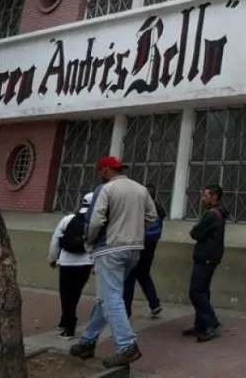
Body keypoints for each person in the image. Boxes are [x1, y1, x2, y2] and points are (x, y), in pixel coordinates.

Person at [69, 156, 157, 368]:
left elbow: (96, 220)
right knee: (107, 297)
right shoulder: (140, 189)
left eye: (100, 171)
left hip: (110, 248)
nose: (99, 175)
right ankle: (88, 341)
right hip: (133, 249)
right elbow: (151, 216)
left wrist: (89, 240)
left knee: (112, 298)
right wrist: (135, 232)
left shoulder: (105, 189)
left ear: (106, 170)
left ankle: (127, 346)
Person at [183, 184, 227, 343]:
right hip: (210, 256)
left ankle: (211, 322)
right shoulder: (217, 214)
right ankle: (201, 323)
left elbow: (195, 233)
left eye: (205, 195)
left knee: (195, 291)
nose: (203, 198)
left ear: (214, 196)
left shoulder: (211, 215)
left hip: (206, 256)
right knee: (203, 290)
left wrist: (195, 231)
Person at [48, 192, 94, 339]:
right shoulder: (96, 222)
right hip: (86, 263)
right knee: (75, 293)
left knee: (65, 293)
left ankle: (69, 326)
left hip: (67, 262)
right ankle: (65, 320)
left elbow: (56, 240)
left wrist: (52, 258)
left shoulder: (67, 219)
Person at [123, 183, 165, 318]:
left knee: (129, 277)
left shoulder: (141, 209)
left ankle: (126, 310)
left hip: (138, 246)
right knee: (144, 274)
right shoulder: (159, 209)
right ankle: (154, 303)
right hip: (151, 248)